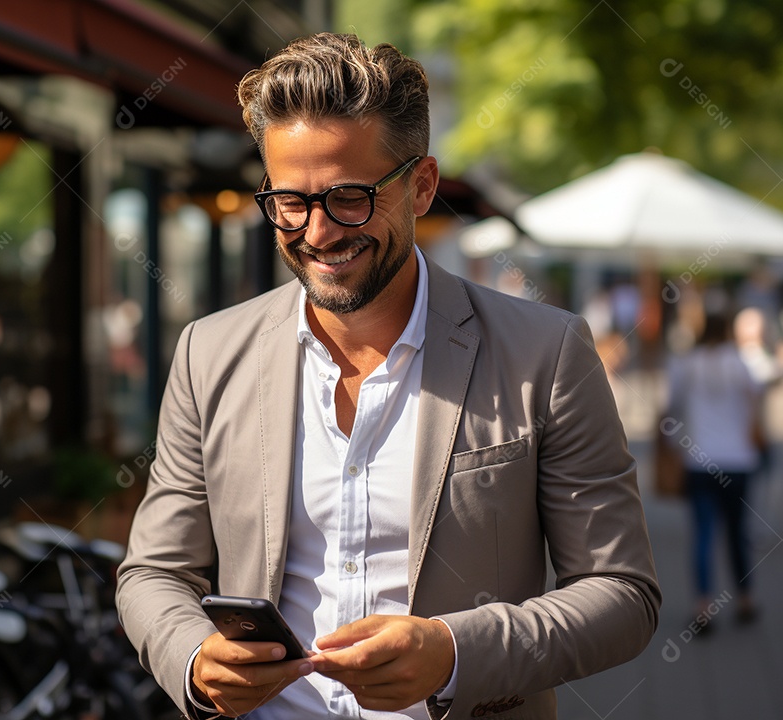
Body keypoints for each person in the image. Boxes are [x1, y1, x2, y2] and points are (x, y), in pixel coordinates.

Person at [116, 33, 660, 720]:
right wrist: (193, 656)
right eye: (289, 201)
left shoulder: (544, 353)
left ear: (422, 185)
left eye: (348, 197)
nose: (316, 234)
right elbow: (154, 573)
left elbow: (622, 594)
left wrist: (454, 652)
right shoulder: (209, 352)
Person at [665, 310, 762, 631]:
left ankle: (703, 607)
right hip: (738, 460)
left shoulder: (687, 365)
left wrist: (675, 444)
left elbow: (672, 409)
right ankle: (745, 598)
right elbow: (755, 405)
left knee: (704, 534)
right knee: (738, 533)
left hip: (700, 460)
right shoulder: (741, 364)